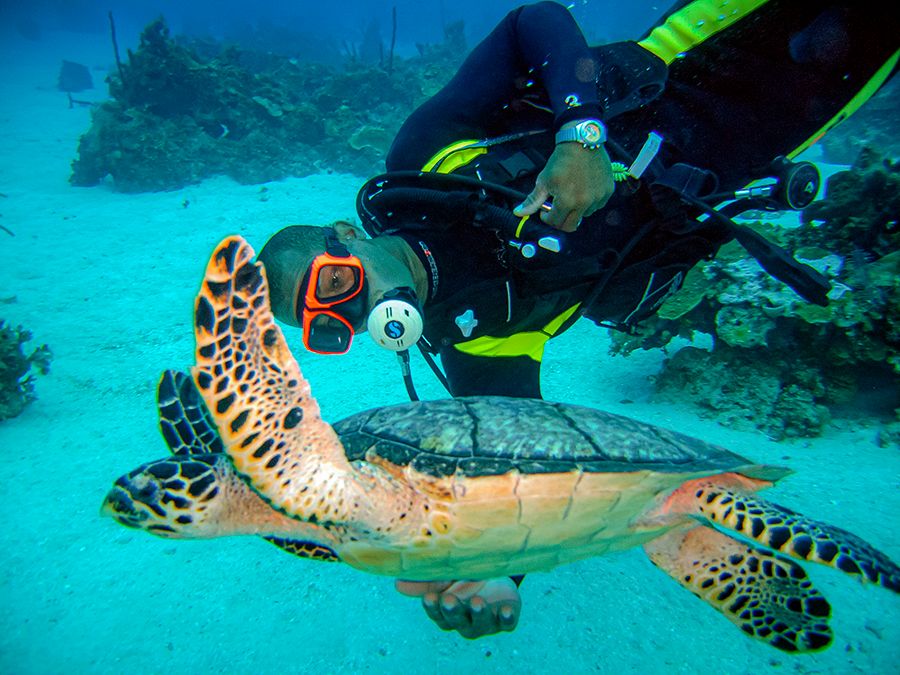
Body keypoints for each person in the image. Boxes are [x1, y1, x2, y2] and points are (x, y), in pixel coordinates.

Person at [258, 1, 899, 639]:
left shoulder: (426, 158)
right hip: (789, 125)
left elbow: (533, 21)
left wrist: (580, 135)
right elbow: (523, 468)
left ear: (348, 235)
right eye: (329, 329)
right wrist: (498, 575)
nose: (352, 311)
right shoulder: (478, 343)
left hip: (731, 49)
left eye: (334, 285)